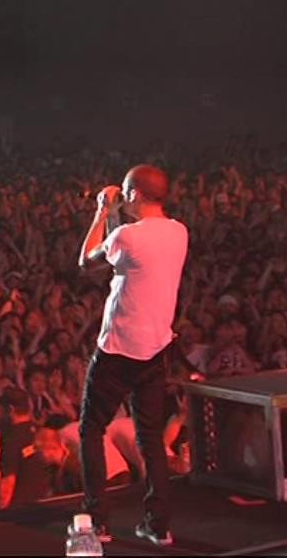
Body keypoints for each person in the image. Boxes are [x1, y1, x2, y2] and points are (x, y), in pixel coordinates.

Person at [77, 164, 188, 546]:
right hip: (155, 351)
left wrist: (101, 211)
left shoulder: (127, 235)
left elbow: (86, 261)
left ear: (135, 194)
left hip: (117, 350)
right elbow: (122, 252)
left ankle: (97, 521)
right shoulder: (178, 231)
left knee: (91, 428)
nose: (123, 198)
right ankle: (158, 525)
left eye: (126, 192)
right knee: (150, 436)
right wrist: (116, 216)